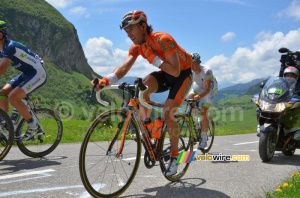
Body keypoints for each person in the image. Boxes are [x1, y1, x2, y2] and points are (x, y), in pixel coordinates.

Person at [92, 10, 192, 176]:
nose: (129, 34)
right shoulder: (137, 47)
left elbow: (175, 71)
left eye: (131, 29)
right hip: (166, 73)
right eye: (126, 31)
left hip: (182, 74)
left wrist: (153, 58)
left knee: (168, 112)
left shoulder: (163, 39)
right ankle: (149, 129)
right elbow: (124, 68)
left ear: (143, 26)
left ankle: (176, 157)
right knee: (142, 88)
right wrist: (105, 81)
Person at [0, 21, 47, 140]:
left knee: (13, 97)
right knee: (3, 93)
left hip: (37, 73)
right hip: (27, 73)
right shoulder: (1, 50)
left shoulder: (9, 47)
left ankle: (33, 125)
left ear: (2, 35)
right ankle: (6, 124)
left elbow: (2, 68)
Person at [188, 53, 218, 149]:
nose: (192, 66)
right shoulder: (190, 71)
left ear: (199, 62)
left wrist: (199, 97)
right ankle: (194, 119)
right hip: (199, 86)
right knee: (190, 96)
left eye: (194, 63)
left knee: (203, 111)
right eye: (190, 63)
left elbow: (207, 89)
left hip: (210, 89)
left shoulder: (207, 71)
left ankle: (204, 138)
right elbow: (187, 85)